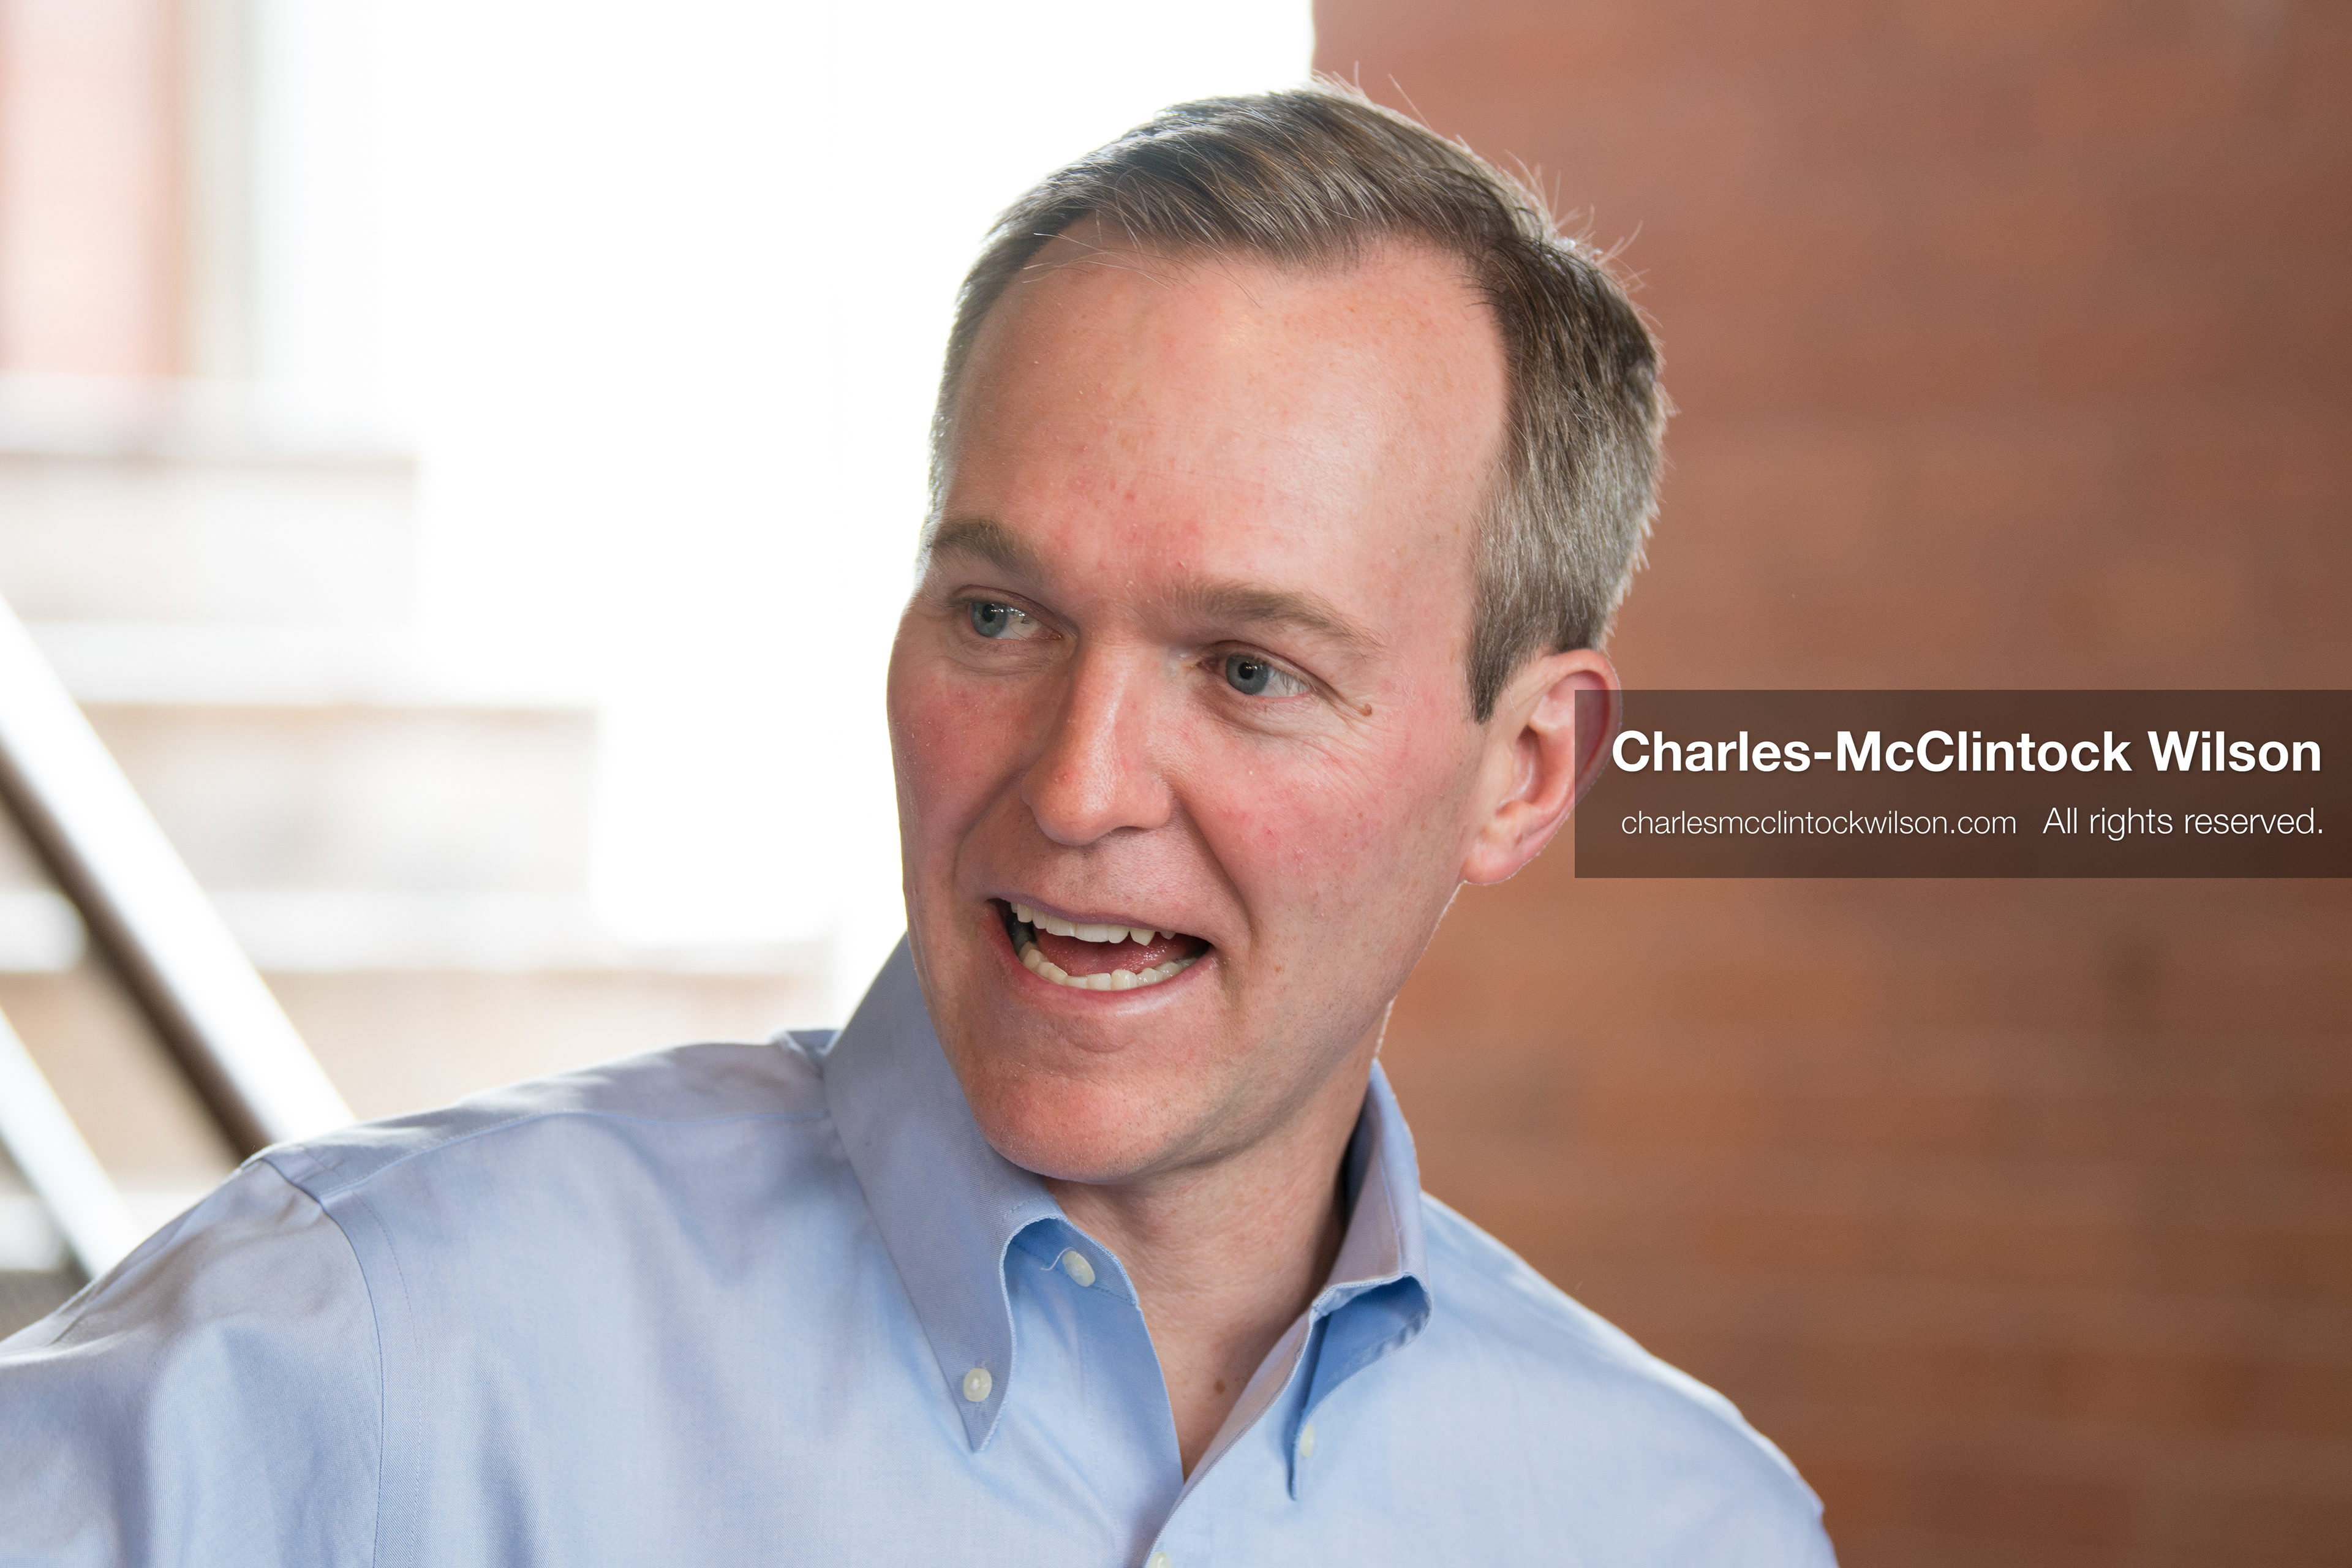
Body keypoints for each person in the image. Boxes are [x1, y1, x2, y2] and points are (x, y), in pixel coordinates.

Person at [1, 86, 1834, 1565]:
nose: (1077, 785)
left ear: (1521, 771)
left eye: (1251, 668)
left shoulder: (1685, 1527)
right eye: (998, 616)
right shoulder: (369, 1346)